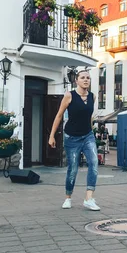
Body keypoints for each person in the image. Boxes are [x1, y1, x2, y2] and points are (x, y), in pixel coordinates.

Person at [49, 70, 100, 211]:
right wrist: (52, 135)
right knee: (73, 169)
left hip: (88, 135)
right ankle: (68, 197)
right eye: (83, 77)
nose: (86, 80)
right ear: (76, 81)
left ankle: (89, 198)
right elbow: (59, 116)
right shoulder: (69, 95)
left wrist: (91, 132)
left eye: (88, 78)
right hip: (71, 137)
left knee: (94, 163)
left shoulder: (92, 96)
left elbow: (88, 117)